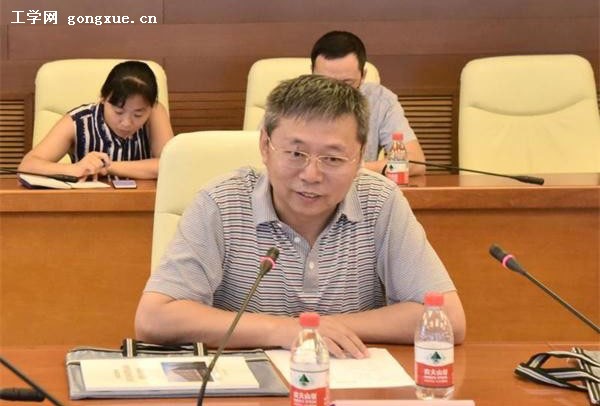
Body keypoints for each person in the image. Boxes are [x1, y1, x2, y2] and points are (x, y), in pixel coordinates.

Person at [135, 75, 465, 359]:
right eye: (295, 153)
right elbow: (154, 318)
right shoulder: (221, 203)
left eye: (333, 158)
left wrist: (314, 329)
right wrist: (282, 330)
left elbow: (448, 318)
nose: (311, 175)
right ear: (265, 146)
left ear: (359, 156)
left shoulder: (380, 201)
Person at [18, 60, 174, 180]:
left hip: (143, 203)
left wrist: (107, 166)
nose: (127, 122)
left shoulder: (155, 112)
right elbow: (28, 165)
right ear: (103, 98)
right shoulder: (78, 121)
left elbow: (168, 165)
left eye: (138, 115)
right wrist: (76, 168)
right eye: (118, 112)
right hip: (88, 203)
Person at [311, 30, 426, 176]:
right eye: (326, 83)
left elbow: (416, 161)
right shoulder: (290, 102)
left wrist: (357, 169)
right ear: (312, 74)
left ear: (363, 76)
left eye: (347, 83)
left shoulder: (380, 101)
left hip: (361, 186)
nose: (336, 92)